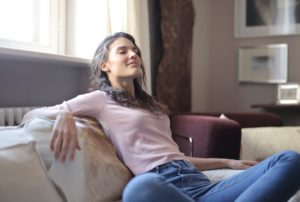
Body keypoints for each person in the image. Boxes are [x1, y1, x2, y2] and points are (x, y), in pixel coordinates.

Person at [23, 32, 300, 202]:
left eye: (135, 51)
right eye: (124, 50)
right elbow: (31, 115)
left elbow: (175, 157)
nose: (133, 54)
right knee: (139, 189)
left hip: (200, 186)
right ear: (105, 65)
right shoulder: (101, 100)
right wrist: (66, 114)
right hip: (162, 187)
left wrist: (227, 161)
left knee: (290, 160)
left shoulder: (151, 107)